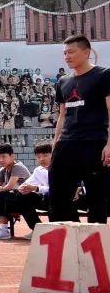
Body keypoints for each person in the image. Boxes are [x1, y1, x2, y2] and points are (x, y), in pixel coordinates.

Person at [50, 34, 110, 223]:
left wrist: (109, 143)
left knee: (96, 194)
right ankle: (70, 235)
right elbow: (62, 115)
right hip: (67, 142)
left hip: (94, 141)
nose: (67, 56)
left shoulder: (103, 75)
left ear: (86, 52)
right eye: (64, 53)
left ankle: (95, 241)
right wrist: (55, 143)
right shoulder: (63, 81)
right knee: (58, 191)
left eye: (71, 52)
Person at [15, 142, 53, 237]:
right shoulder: (38, 170)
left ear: (53, 154)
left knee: (51, 196)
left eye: (45, 155)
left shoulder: (59, 168)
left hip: (59, 199)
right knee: (21, 196)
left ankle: (54, 230)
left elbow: (57, 189)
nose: (42, 159)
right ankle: (37, 229)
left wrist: (36, 188)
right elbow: (26, 184)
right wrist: (23, 188)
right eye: (38, 157)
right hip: (45, 200)